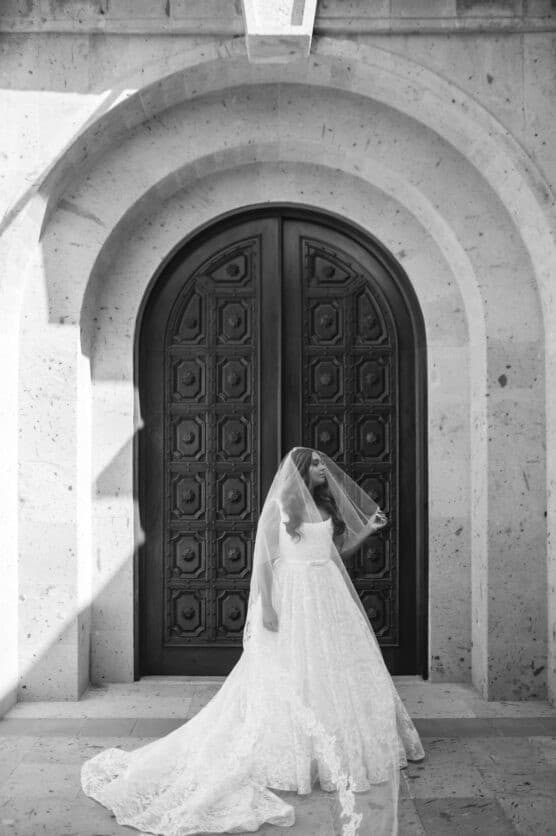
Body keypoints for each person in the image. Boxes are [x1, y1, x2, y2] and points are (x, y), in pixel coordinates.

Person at [81, 447, 425, 835]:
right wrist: (268, 609)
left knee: (330, 668)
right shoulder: (281, 507)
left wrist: (366, 531)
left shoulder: (326, 506)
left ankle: (331, 748)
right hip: (292, 594)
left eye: (321, 464)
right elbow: (264, 560)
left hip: (326, 592)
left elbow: (333, 553)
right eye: (314, 464)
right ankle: (293, 751)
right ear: (298, 472)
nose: (323, 469)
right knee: (291, 669)